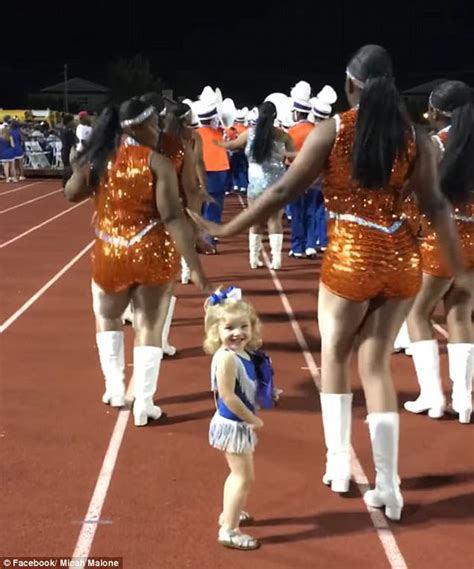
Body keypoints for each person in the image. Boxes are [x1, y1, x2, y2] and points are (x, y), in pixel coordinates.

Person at [190, 45, 467, 520]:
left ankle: (338, 463)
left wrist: (225, 230)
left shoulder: (333, 130)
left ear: (350, 84)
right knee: (376, 364)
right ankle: (389, 486)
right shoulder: (416, 137)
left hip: (350, 258)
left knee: (335, 357)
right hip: (400, 258)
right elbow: (435, 205)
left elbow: (282, 190)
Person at [64, 97, 209, 426]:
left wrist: (77, 168)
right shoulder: (158, 162)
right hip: (151, 252)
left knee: (108, 319)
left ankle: (114, 388)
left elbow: (71, 193)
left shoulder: (100, 159)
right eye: (155, 124)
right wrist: (194, 265)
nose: (159, 128)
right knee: (148, 327)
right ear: (143, 126)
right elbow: (172, 216)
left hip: (109, 253)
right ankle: (144, 403)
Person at [405, 80, 474, 424]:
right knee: (460, 314)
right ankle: (464, 402)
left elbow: (415, 194)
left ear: (435, 112)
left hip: (441, 241)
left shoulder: (435, 145)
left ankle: (433, 397)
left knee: (417, 312)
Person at [204, 286, 263, 550]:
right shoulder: (226, 359)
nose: (237, 333)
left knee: (237, 474)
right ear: (216, 331)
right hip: (233, 425)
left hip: (238, 423)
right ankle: (229, 530)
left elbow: (248, 384)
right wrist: (252, 418)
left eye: (243, 326)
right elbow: (228, 396)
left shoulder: (244, 354)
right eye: (229, 328)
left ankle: (230, 511)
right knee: (244, 477)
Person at [215, 101, 295, 270]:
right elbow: (293, 158)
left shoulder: (250, 134)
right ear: (275, 116)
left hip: (256, 185)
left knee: (255, 221)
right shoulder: (283, 135)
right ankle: (276, 260)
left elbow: (233, 146)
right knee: (275, 220)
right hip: (277, 185)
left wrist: (217, 143)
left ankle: (253, 259)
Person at [287, 80, 318, 258]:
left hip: (296, 176)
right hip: (314, 176)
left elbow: (286, 158)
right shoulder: (316, 129)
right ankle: (310, 245)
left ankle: (298, 247)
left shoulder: (291, 132)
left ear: (297, 112)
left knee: (296, 213)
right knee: (310, 212)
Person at [60, 114, 78, 186]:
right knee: (68, 168)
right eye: (72, 121)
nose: (74, 122)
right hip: (67, 152)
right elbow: (71, 143)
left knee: (68, 168)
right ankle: (66, 183)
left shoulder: (66, 130)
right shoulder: (67, 132)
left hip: (66, 151)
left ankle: (67, 183)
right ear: (69, 122)